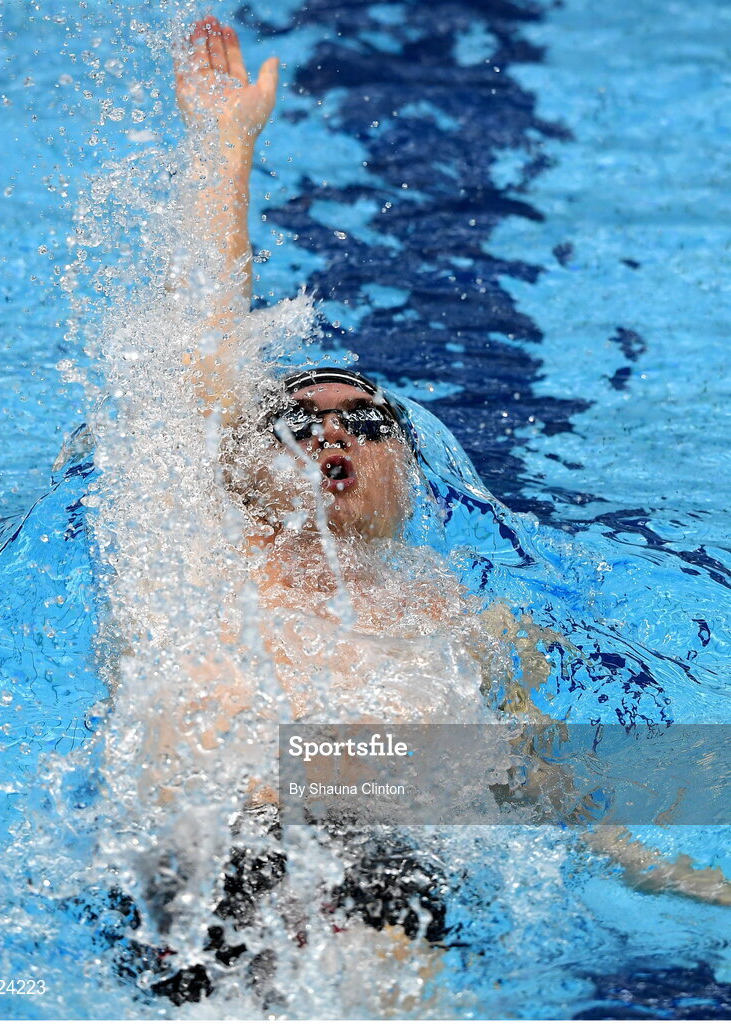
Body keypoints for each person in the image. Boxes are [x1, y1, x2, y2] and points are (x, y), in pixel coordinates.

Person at [91, 16, 730, 1011]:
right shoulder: (204, 556)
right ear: (249, 459)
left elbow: (555, 801)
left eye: (367, 421)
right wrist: (224, 149)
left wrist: (670, 875)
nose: (331, 436)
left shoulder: (467, 623)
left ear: (414, 477)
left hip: (381, 871)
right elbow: (205, 349)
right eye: (297, 420)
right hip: (210, 856)